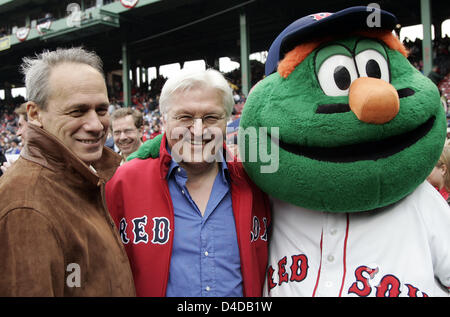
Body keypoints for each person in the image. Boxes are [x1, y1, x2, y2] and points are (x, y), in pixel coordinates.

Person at [105, 68, 270, 297]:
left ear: (228, 121)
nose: (199, 130)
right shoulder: (122, 183)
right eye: (184, 117)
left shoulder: (257, 183)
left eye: (211, 117)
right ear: (164, 120)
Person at [0, 47, 135, 296]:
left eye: (102, 110)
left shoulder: (82, 176)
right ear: (35, 114)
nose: (96, 125)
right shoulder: (25, 205)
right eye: (77, 111)